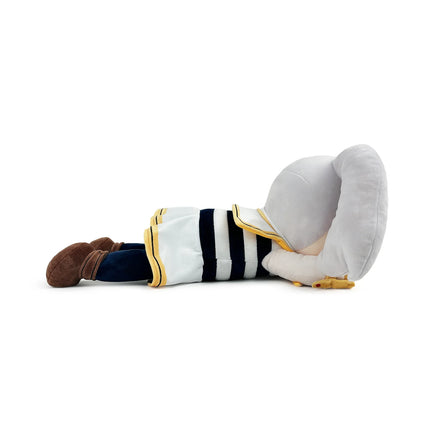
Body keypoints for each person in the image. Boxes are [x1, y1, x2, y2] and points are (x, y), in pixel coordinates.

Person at [46, 144, 388, 289]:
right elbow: (310, 269)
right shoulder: (278, 248)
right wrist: (326, 268)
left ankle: (109, 251)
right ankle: (98, 261)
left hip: (216, 227)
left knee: (165, 250)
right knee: (162, 260)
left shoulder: (272, 230)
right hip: (212, 246)